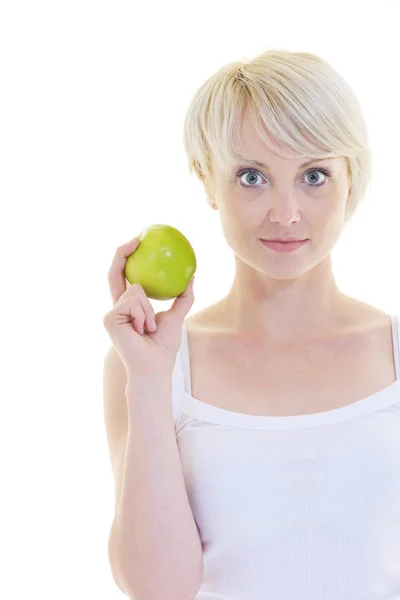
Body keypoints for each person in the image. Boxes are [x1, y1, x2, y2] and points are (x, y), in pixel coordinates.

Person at [170, 48, 400, 597]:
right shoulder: (161, 364)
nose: (286, 213)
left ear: (352, 181)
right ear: (207, 180)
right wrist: (144, 375)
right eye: (251, 176)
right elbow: (155, 586)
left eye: (314, 175)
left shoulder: (392, 349)